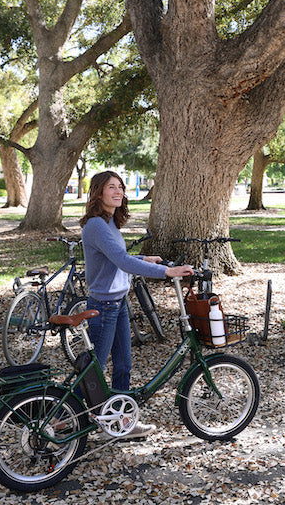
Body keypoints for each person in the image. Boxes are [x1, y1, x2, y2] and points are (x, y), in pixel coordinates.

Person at [79, 170, 193, 439]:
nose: (118, 192)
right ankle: (60, 419)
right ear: (98, 192)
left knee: (123, 366)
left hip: (118, 303)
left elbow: (117, 256)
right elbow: (121, 261)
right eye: (111, 187)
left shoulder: (108, 223)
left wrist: (145, 258)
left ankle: (121, 423)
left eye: (120, 187)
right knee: (93, 369)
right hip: (105, 306)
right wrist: (167, 272)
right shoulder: (96, 224)